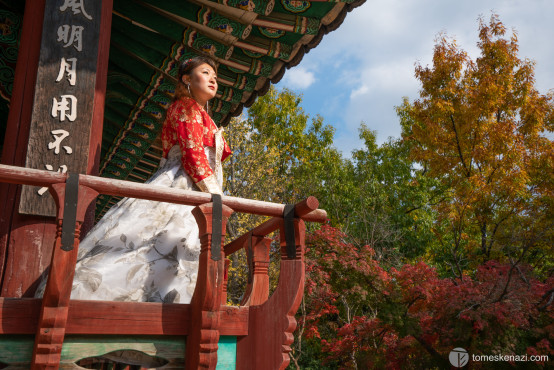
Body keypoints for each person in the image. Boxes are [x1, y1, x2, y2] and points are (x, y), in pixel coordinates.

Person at [35, 56, 231, 304]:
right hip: (185, 181)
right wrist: (215, 195)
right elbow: (192, 153)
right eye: (205, 72)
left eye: (215, 76)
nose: (213, 79)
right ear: (186, 79)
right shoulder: (185, 107)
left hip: (199, 185)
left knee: (178, 245)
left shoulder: (205, 116)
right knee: (157, 242)